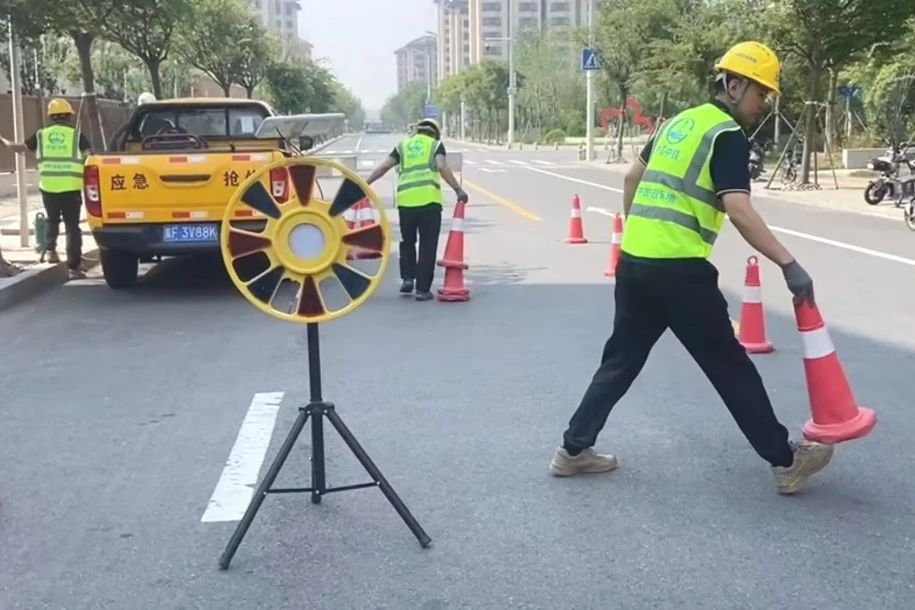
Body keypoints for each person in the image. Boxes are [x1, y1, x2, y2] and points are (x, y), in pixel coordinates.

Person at [548, 41, 834, 496]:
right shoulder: (726, 135)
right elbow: (738, 209)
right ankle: (785, 461)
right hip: (679, 271)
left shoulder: (678, 123)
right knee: (729, 366)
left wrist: (638, 235)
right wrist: (789, 263)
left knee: (620, 360)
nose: (763, 103)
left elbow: (632, 177)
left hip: (636, 264)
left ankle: (573, 450)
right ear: (734, 85)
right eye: (760, 93)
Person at [366, 118, 468, 301]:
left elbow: (384, 166)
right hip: (429, 202)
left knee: (407, 242)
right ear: (435, 133)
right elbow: (441, 166)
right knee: (427, 246)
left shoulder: (402, 146)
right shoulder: (435, 145)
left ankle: (407, 278)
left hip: (406, 203)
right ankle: (422, 289)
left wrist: (365, 183)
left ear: (416, 131)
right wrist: (457, 189)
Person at [1, 98, 90, 279]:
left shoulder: (41, 135)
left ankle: (51, 252)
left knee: (52, 220)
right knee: (72, 226)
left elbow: (21, 148)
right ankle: (74, 267)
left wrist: (4, 141)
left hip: (48, 187)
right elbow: (89, 157)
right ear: (68, 116)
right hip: (71, 188)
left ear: (51, 117)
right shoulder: (77, 135)